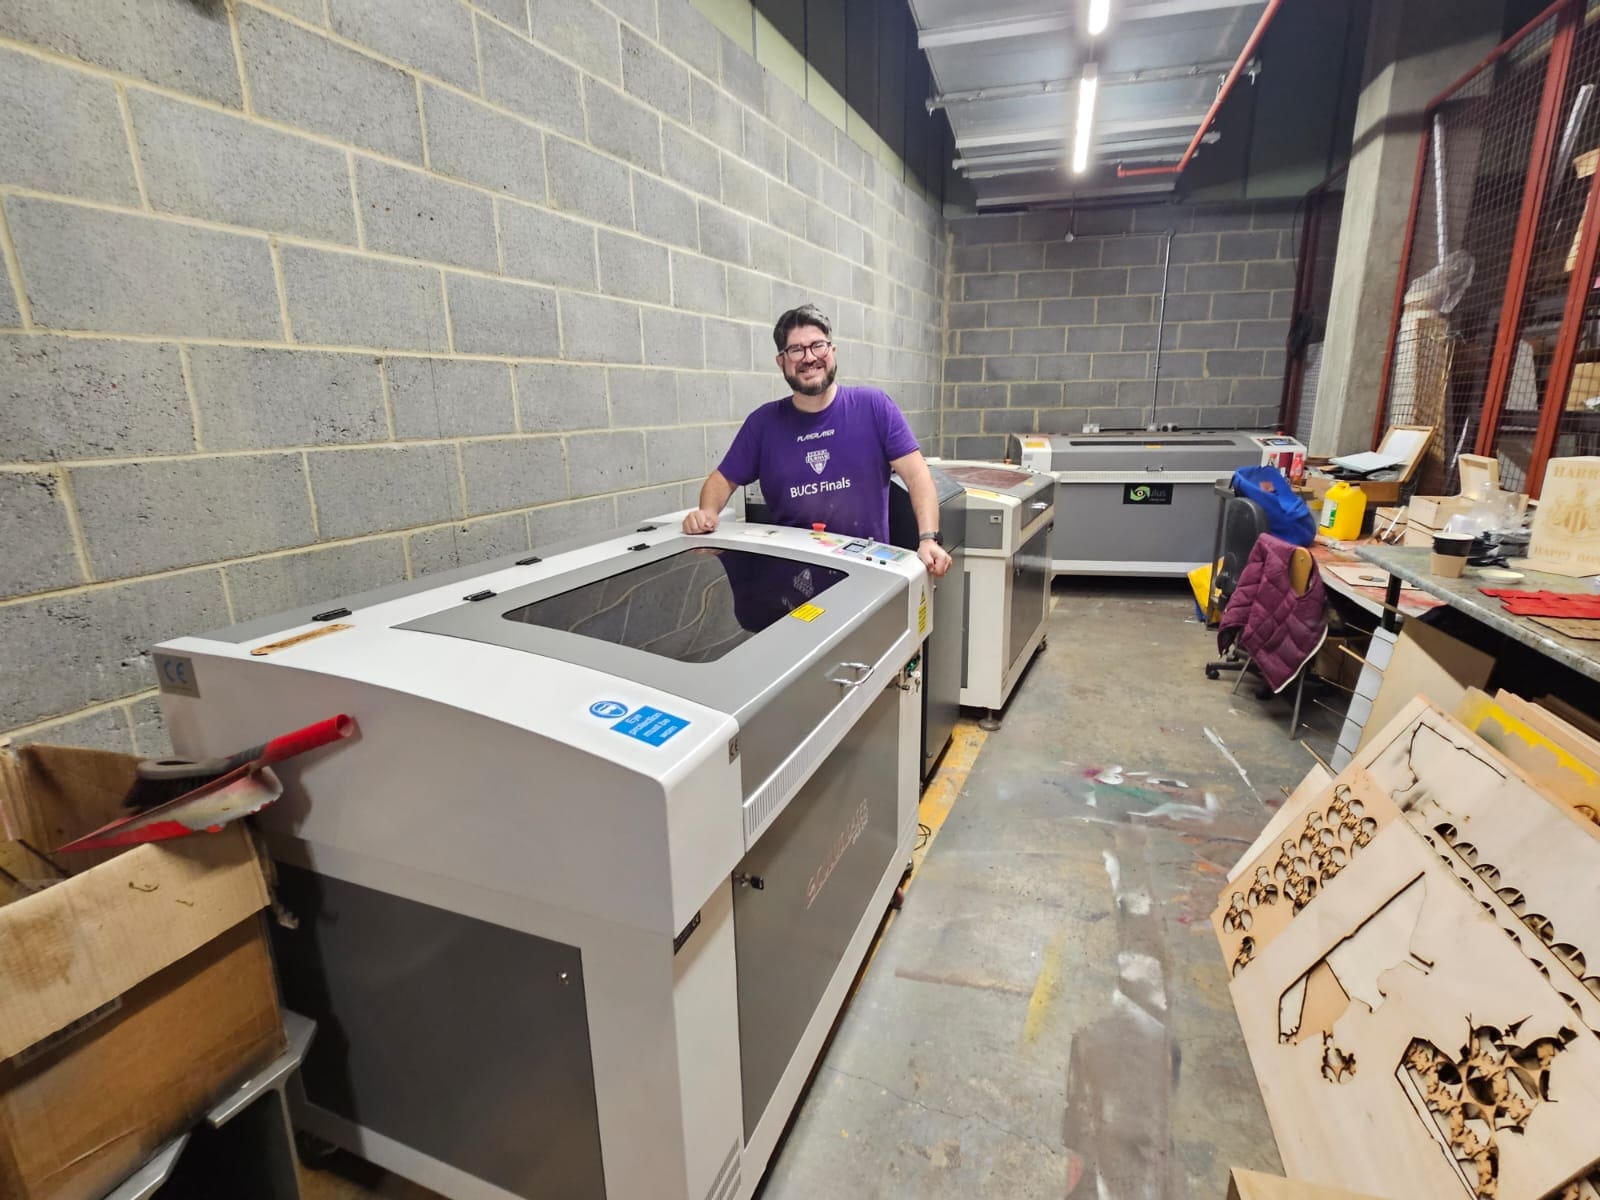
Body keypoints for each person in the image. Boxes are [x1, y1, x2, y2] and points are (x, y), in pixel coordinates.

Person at [682, 304, 953, 578]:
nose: (809, 357)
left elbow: (918, 476)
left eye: (818, 346)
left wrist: (928, 538)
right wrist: (706, 513)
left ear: (832, 351)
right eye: (796, 350)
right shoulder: (763, 424)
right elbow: (721, 479)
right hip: (793, 578)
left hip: (869, 574)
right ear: (781, 361)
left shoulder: (874, 407)